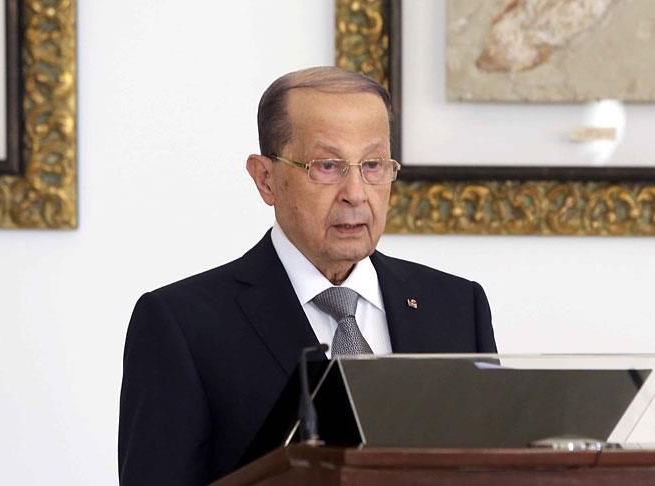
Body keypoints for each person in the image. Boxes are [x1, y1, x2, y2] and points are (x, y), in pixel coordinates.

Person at [118, 66, 497, 484]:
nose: (356, 194)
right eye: (327, 166)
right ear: (266, 179)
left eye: (373, 165)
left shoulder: (457, 307)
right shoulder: (183, 324)